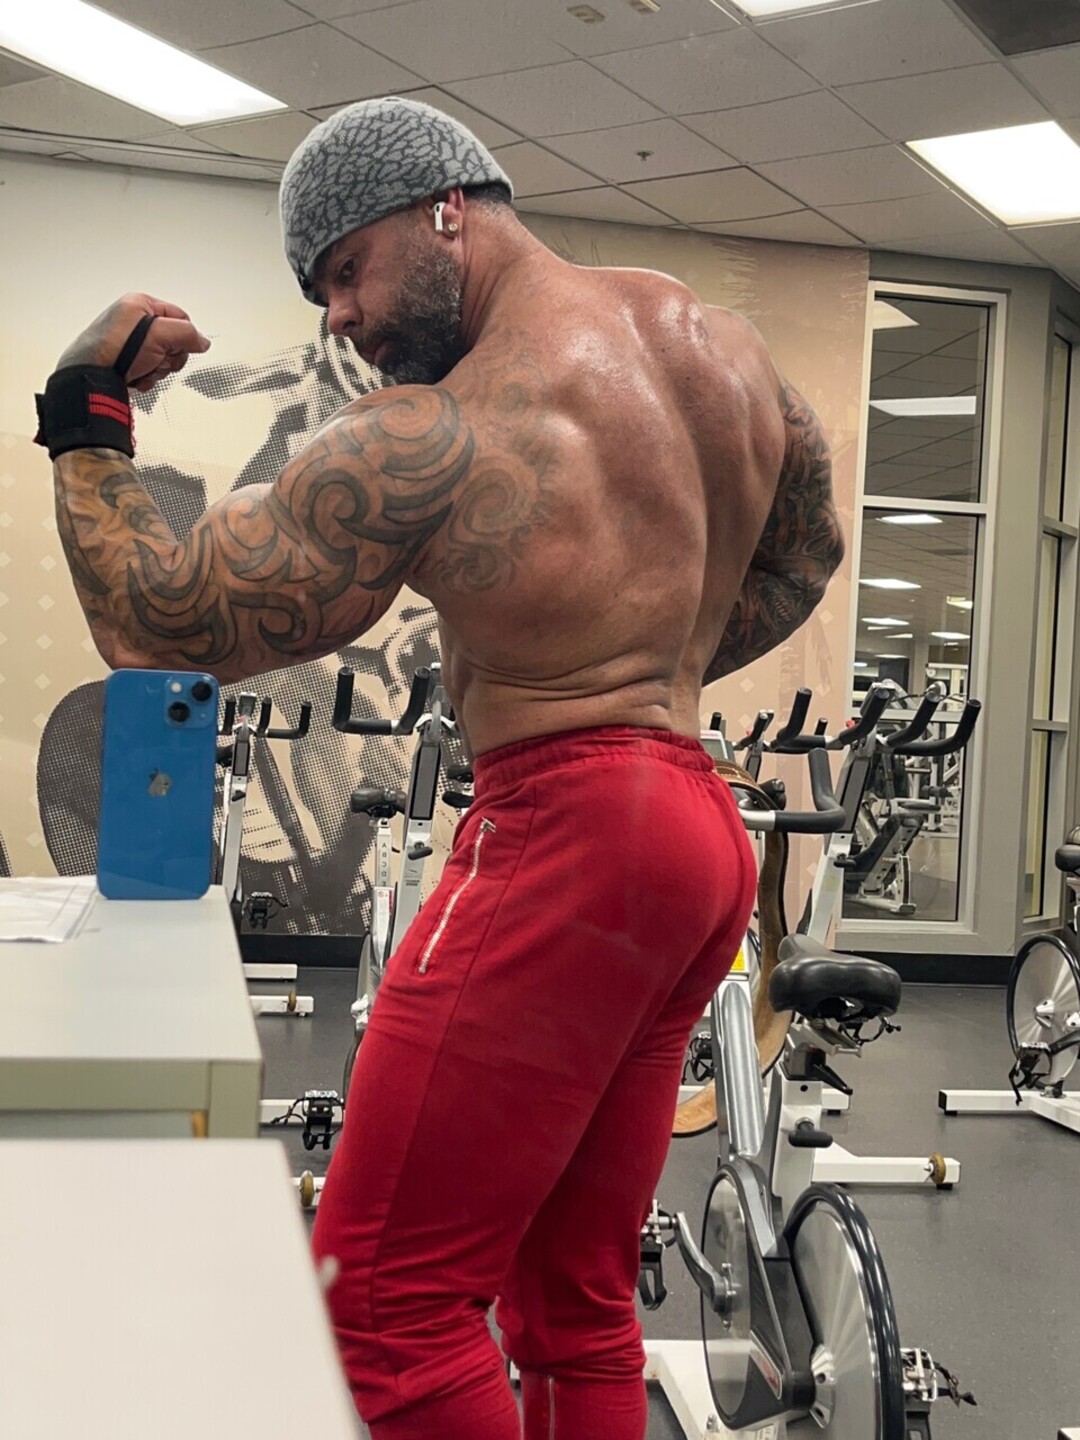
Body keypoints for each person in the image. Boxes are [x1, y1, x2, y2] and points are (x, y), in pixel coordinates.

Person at [39, 97, 843, 1440]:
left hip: (572, 835)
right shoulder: (724, 351)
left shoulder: (435, 432)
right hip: (699, 835)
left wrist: (86, 414)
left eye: (345, 270)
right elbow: (806, 553)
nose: (339, 318)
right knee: (576, 1296)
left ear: (444, 207)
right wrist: (645, 656)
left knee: (381, 1311)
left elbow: (158, 624)